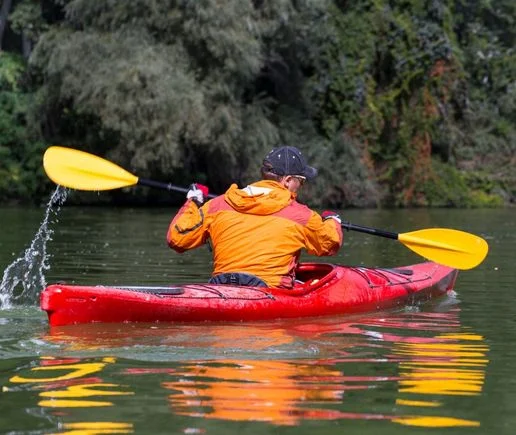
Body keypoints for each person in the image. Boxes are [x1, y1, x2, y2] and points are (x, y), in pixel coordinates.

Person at [166, 145, 343, 288]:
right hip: (271, 295)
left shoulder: (217, 205)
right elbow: (330, 243)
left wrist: (193, 202)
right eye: (301, 181)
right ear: (288, 181)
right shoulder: (302, 215)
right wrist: (332, 220)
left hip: (220, 286)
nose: (302, 186)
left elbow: (178, 238)